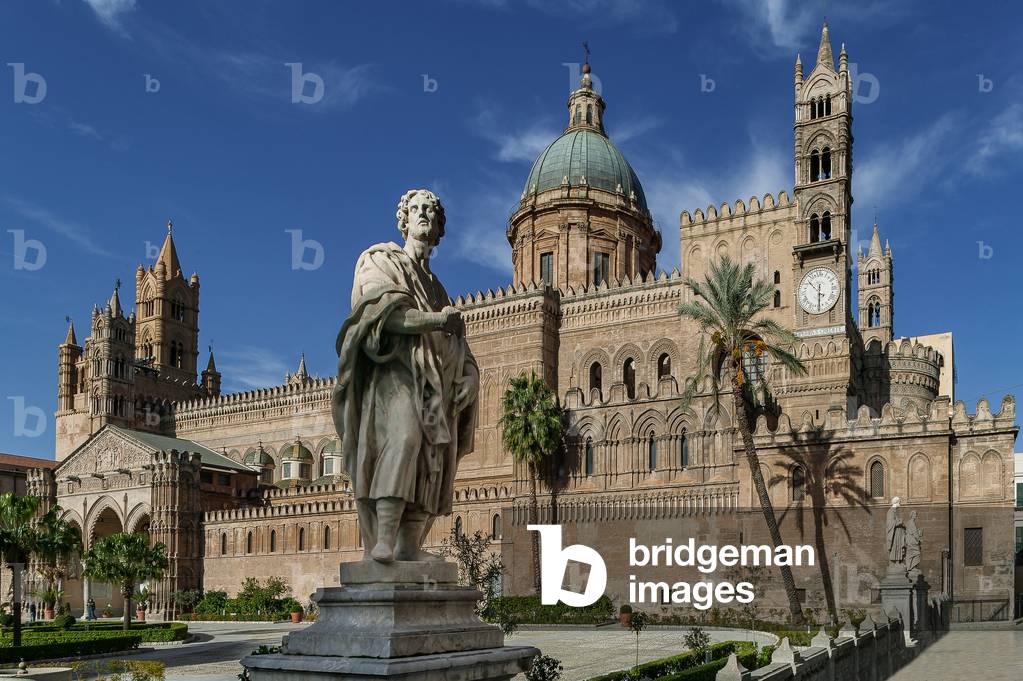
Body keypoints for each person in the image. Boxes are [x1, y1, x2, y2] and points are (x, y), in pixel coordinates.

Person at [332, 189, 479, 563]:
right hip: (395, 377)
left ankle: (408, 546)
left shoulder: (437, 287)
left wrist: (472, 377)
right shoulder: (381, 261)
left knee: (433, 461)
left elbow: (460, 345)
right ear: (404, 220)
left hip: (436, 388)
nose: (424, 214)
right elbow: (383, 316)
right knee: (404, 438)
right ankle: (383, 540)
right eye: (417, 209)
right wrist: (437, 319)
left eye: (431, 210)